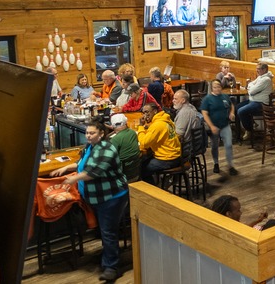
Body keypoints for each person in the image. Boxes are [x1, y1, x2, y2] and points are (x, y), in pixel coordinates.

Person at [51, 120, 128, 282]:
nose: (88, 135)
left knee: (108, 232)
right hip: (98, 197)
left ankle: (112, 267)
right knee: (105, 231)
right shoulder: (90, 146)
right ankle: (108, 256)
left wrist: (72, 179)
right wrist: (66, 167)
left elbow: (94, 172)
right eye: (87, 133)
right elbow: (81, 164)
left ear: (101, 134)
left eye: (92, 133)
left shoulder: (106, 148)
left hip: (112, 197)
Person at [136, 103, 182, 184]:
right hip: (175, 155)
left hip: (168, 159)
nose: (145, 115)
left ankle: (153, 189)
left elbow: (144, 144)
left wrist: (140, 127)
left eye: (147, 112)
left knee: (141, 169)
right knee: (145, 160)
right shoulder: (165, 118)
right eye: (143, 112)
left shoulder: (157, 125)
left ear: (155, 111)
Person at [201, 80, 237, 175]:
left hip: (225, 125)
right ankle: (216, 163)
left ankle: (230, 166)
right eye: (215, 87)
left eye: (219, 86)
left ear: (221, 87)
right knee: (214, 146)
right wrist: (211, 126)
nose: (217, 88)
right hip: (214, 126)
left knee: (228, 145)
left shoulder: (225, 96)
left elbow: (231, 105)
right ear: (212, 88)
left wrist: (232, 113)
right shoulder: (207, 99)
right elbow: (204, 113)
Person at [236, 63, 273, 140]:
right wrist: (251, 86)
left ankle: (249, 130)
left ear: (264, 70)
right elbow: (251, 85)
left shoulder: (266, 79)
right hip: (253, 100)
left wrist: (250, 86)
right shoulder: (260, 77)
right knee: (236, 107)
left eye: (258, 69)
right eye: (257, 68)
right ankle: (250, 125)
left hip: (260, 103)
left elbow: (252, 91)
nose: (257, 70)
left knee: (241, 111)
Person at [109, 113, 141, 183]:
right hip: (135, 174)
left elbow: (108, 160)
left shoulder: (115, 140)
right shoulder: (132, 133)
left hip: (122, 179)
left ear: (112, 126)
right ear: (126, 123)